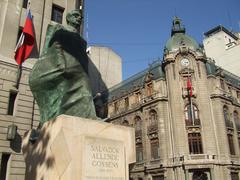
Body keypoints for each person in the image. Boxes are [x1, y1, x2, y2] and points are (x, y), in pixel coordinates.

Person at [29, 9, 97, 126]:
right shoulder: (60, 31)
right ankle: (88, 116)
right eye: (75, 15)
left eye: (80, 17)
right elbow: (53, 48)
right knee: (82, 82)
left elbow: (83, 60)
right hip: (60, 66)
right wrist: (61, 64)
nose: (79, 18)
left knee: (84, 83)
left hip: (77, 71)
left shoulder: (82, 41)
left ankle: (89, 116)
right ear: (68, 18)